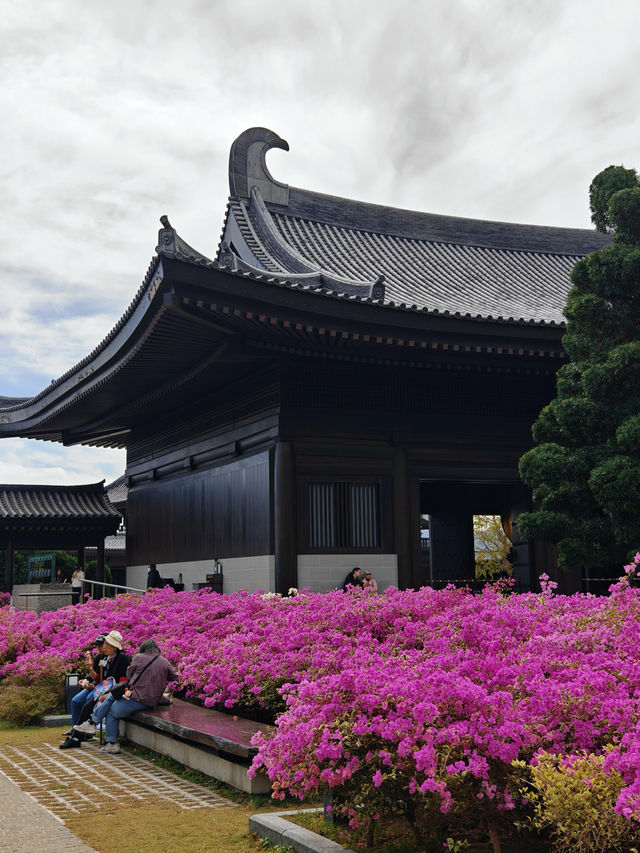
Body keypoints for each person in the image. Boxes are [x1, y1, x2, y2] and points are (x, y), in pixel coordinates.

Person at [74, 639, 178, 754]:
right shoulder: (164, 661)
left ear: (143, 649)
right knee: (113, 695)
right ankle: (92, 723)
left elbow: (129, 675)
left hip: (138, 698)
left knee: (112, 709)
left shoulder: (139, 657)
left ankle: (109, 741)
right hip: (154, 700)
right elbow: (174, 678)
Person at [60, 630, 130, 749]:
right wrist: (90, 668)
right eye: (105, 644)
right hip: (102, 690)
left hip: (115, 693)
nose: (104, 647)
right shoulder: (106, 658)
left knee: (88, 705)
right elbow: (98, 678)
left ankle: (77, 737)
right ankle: (76, 737)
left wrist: (109, 694)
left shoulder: (122, 659)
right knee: (86, 705)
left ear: (114, 647)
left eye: (107, 645)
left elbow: (123, 682)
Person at [66, 634, 106, 733]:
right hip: (94, 684)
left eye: (101, 645)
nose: (99, 648)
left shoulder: (113, 658)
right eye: (97, 646)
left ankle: (86, 731)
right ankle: (75, 728)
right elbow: (94, 676)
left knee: (89, 699)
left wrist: (94, 683)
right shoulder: (98, 657)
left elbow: (105, 679)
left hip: (103, 687)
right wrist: (85, 680)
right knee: (75, 700)